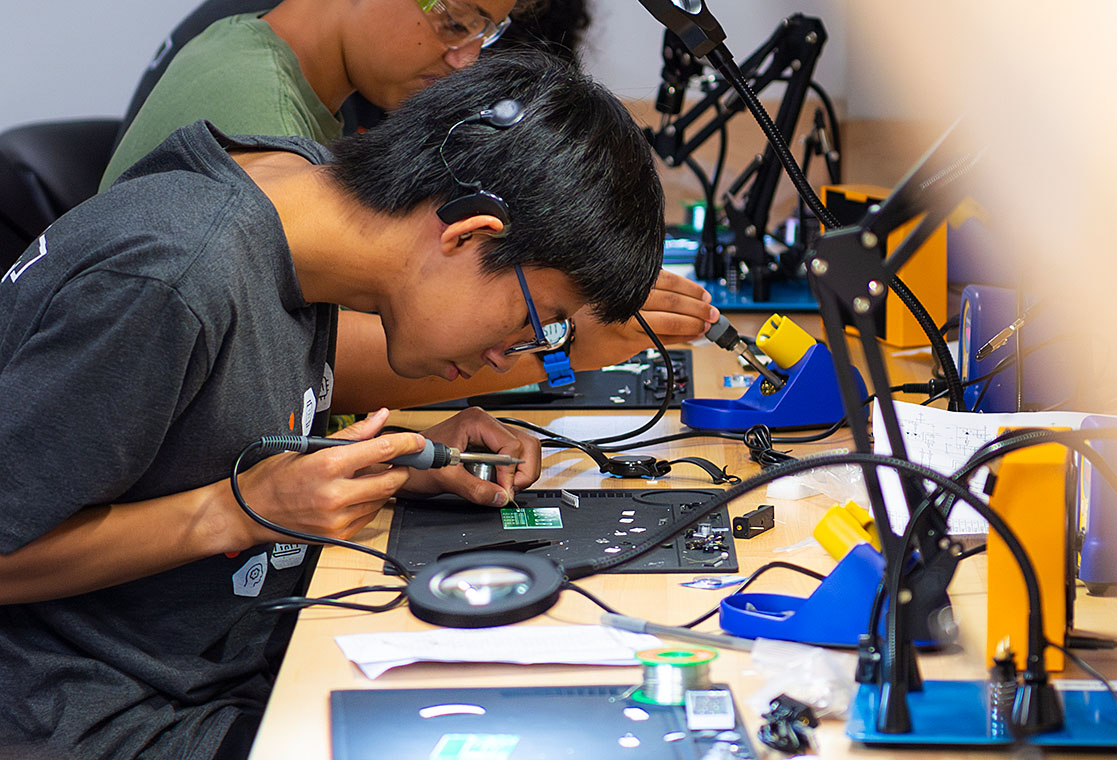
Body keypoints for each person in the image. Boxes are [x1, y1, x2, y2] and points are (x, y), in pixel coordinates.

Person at [0, 51, 664, 758]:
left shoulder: (298, 206)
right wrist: (237, 510)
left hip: (219, 667)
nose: (515, 353)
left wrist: (391, 469)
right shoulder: (172, 279)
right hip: (88, 715)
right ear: (470, 236)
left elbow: (196, 437)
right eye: (538, 320)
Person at [100, 0, 717, 413]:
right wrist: (563, 348)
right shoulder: (252, 110)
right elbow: (307, 362)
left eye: (486, 34)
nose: (466, 59)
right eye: (455, 21)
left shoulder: (288, 80)